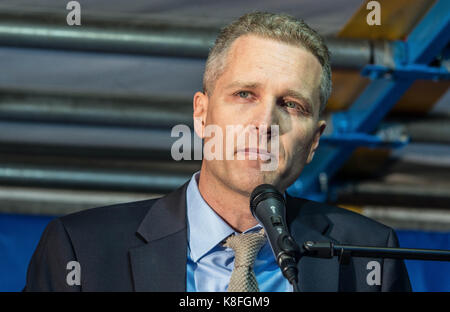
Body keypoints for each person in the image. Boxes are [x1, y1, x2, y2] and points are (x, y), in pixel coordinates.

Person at [23, 11, 411, 292]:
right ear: (202, 113)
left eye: (292, 104)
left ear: (313, 142)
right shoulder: (82, 249)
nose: (265, 123)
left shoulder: (369, 256)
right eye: (245, 94)